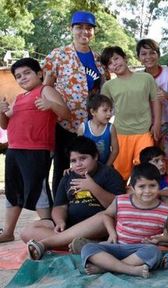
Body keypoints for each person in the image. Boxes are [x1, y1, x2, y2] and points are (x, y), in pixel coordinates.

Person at [0, 58, 70, 243]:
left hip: (36, 149)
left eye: (27, 73)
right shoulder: (19, 98)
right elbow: (5, 125)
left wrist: (50, 105)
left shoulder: (46, 90)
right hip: (14, 149)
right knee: (13, 191)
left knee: (38, 189)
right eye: (18, 76)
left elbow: (65, 113)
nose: (22, 78)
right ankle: (8, 232)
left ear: (39, 73)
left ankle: (50, 230)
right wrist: (1, 112)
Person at [23, 136, 125, 258]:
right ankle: (88, 245)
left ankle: (49, 243)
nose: (78, 164)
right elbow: (59, 206)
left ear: (95, 156)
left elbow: (119, 207)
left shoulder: (109, 174)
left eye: (83, 158)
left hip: (99, 227)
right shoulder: (68, 176)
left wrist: (93, 187)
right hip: (71, 226)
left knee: (104, 218)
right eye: (74, 161)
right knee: (27, 232)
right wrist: (60, 221)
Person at [43, 10, 109, 195]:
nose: (84, 32)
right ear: (71, 29)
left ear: (93, 32)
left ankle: (84, 207)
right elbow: (45, 87)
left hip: (90, 125)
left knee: (90, 167)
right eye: (79, 27)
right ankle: (58, 210)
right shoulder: (59, 55)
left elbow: (104, 90)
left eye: (89, 28)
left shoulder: (98, 60)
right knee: (62, 168)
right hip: (63, 123)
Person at [80, 163, 168, 278]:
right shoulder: (121, 201)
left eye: (152, 185)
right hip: (117, 246)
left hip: (140, 251)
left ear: (159, 187)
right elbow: (107, 215)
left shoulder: (165, 211)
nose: (147, 191)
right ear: (132, 188)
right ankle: (130, 270)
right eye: (141, 186)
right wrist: (112, 233)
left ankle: (105, 267)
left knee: (154, 252)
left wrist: (160, 239)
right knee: (88, 248)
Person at [100, 46, 161, 180]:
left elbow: (155, 100)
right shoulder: (108, 86)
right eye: (110, 63)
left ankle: (142, 199)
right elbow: (103, 110)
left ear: (125, 58)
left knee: (145, 172)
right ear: (108, 68)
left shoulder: (146, 78)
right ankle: (121, 200)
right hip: (121, 133)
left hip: (145, 132)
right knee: (121, 175)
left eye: (116, 58)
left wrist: (156, 123)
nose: (114, 63)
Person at [136, 38, 168, 163]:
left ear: (158, 54)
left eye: (152, 53)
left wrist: (165, 95)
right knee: (147, 158)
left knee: (163, 158)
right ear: (138, 57)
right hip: (146, 125)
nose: (148, 57)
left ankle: (164, 182)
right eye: (144, 54)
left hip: (167, 123)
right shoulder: (138, 77)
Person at [78, 94, 118, 165]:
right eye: (105, 110)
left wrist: (106, 167)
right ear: (93, 112)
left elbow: (115, 150)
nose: (109, 114)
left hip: (105, 166)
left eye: (110, 110)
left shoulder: (111, 128)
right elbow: (78, 150)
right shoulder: (83, 128)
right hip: (87, 167)